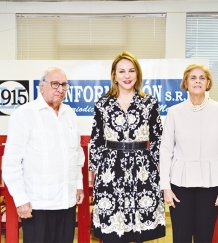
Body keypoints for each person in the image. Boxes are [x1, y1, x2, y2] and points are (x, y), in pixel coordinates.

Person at [89, 51, 166, 243]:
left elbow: (158, 139)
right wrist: (94, 172)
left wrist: (159, 171)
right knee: (112, 231)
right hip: (110, 170)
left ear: (137, 74)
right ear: (114, 75)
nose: (127, 76)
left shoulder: (149, 103)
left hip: (142, 170)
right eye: (121, 71)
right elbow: (96, 139)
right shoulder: (102, 104)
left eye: (131, 71)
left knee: (136, 231)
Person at [2, 67, 85, 243]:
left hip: (67, 202)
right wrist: (20, 199)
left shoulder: (70, 114)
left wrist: (78, 184)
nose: (60, 89)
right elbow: (11, 163)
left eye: (64, 85)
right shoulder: (24, 115)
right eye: (55, 84)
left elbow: (76, 154)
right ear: (41, 86)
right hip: (37, 205)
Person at [160, 63, 218, 243]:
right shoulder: (174, 112)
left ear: (208, 83)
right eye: (193, 78)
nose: (197, 81)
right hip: (179, 183)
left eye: (202, 78)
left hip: (212, 184)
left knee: (204, 237)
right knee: (181, 237)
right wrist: (165, 186)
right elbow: (165, 150)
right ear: (185, 83)